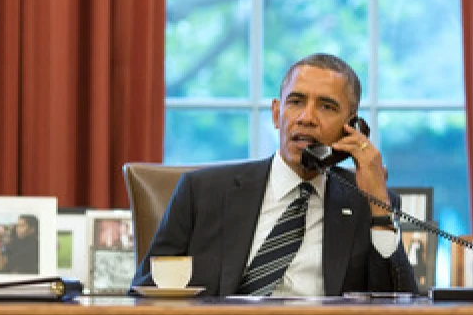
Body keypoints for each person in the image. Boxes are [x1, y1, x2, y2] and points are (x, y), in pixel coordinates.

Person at [132, 53, 417, 296]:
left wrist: (379, 207)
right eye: (296, 102)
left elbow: (401, 310)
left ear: (351, 126)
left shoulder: (364, 204)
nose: (306, 117)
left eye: (326, 107)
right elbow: (144, 293)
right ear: (276, 113)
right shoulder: (202, 192)